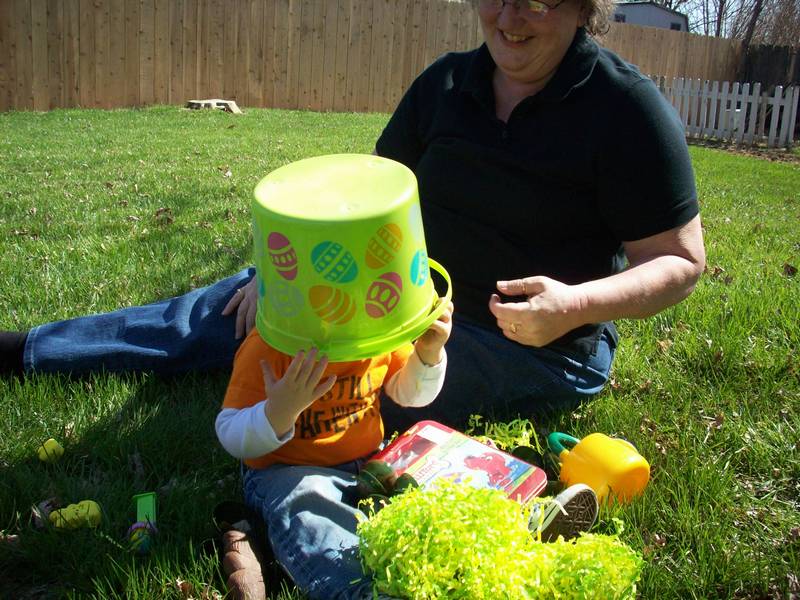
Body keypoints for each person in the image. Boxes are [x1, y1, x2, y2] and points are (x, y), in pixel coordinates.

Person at [1, 0, 705, 436]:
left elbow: (680, 261)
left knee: (350, 392)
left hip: (534, 345)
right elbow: (361, 201)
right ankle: (30, 351)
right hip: (400, 298)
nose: (508, 17)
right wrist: (281, 279)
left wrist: (574, 306)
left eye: (537, 0)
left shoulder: (625, 111)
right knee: (228, 312)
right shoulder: (446, 82)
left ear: (583, 7)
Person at [214, 294, 454, 599]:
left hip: (371, 463)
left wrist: (427, 354)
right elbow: (231, 433)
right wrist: (278, 412)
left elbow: (408, 393)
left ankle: (445, 568)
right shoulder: (272, 343)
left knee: (430, 492)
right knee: (309, 508)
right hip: (289, 473)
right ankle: (363, 590)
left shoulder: (375, 333)